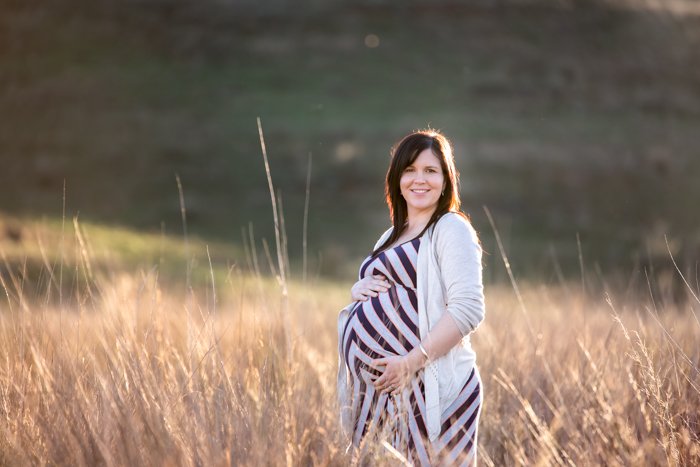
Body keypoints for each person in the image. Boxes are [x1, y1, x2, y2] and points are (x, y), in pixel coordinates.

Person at [337, 130, 485, 466]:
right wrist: (357, 292)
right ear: (397, 178)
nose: (420, 179)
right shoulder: (391, 235)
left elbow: (468, 309)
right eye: (410, 169)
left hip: (432, 390)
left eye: (431, 171)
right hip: (380, 395)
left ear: (446, 180)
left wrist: (409, 363)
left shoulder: (451, 229)